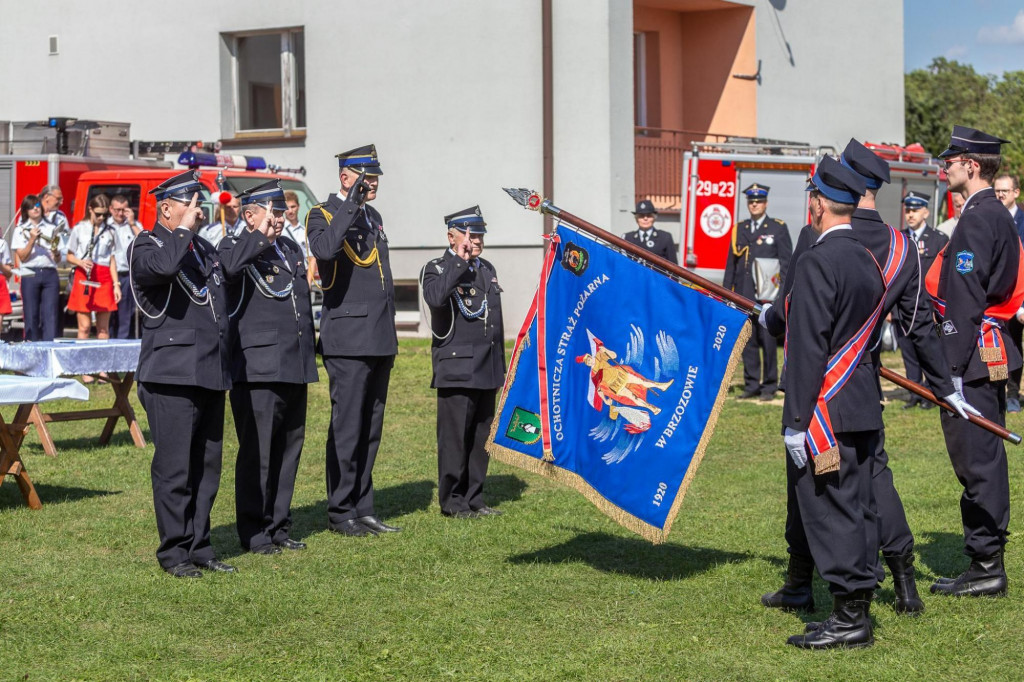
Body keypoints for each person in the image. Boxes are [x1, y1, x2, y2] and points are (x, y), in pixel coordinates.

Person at [760, 141, 963, 620]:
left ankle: (808, 585)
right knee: (874, 482)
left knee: (816, 489)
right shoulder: (899, 246)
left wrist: (766, 318)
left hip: (821, 387)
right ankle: (904, 578)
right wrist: (945, 385)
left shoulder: (819, 242)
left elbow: (794, 316)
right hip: (863, 383)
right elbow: (918, 327)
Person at [779, 156, 883, 649]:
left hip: (824, 411)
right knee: (858, 507)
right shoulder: (865, 257)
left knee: (830, 509)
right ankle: (857, 606)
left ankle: (849, 619)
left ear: (818, 203)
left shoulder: (817, 260)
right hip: (860, 403)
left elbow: (808, 346)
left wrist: (797, 421)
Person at [929, 126, 1023, 598]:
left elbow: (965, 296)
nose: (944, 167)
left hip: (971, 355)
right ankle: (985, 559)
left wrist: (948, 366)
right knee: (982, 456)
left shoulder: (976, 218)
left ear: (971, 164)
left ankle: (987, 564)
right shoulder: (993, 213)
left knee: (977, 459)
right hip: (988, 349)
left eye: (951, 161)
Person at [129, 170, 234, 579]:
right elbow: (164, 268)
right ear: (166, 207)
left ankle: (199, 545)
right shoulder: (148, 243)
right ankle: (174, 552)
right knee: (175, 468)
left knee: (207, 467)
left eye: (199, 203)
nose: (198, 210)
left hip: (209, 369)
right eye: (189, 203)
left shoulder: (201, 246)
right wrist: (184, 231)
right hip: (171, 374)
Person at [219, 179, 318, 554]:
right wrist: (259, 236)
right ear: (249, 215)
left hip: (294, 362)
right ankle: (254, 531)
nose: (280, 217)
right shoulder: (234, 245)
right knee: (257, 453)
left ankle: (278, 524)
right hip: (257, 366)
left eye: (281, 210)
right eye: (272, 212)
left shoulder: (291, 247)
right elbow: (228, 268)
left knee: (288, 450)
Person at [307, 144, 401, 537]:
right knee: (347, 427)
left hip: (379, 337)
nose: (373, 181)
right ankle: (340, 510)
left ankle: (364, 507)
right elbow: (325, 249)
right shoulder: (322, 214)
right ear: (346, 177)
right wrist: (349, 203)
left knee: (370, 428)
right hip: (347, 339)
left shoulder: (373, 216)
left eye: (376, 175)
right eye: (366, 174)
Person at [421, 206, 506, 519]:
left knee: (481, 437)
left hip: (487, 366)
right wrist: (459, 260)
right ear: (451, 236)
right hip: (457, 367)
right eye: (469, 234)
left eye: (480, 234)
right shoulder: (437, 267)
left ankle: (474, 497)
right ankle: (453, 501)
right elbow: (435, 298)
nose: (476, 240)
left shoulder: (486, 268)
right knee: (455, 439)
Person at [724, 183, 792, 400]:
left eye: (759, 202)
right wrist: (727, 294)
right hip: (744, 293)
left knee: (768, 340)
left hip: (767, 296)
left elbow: (786, 263)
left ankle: (769, 385)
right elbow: (731, 265)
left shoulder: (777, 228)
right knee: (749, 340)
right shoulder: (740, 229)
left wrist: (782, 294)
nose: (755, 205)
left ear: (766, 204)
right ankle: (752, 384)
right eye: (751, 202)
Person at [897, 191, 948, 409]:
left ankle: (929, 393)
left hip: (928, 307)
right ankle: (914, 391)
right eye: (907, 210)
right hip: (903, 307)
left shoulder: (938, 239)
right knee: (908, 352)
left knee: (930, 351)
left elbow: (943, 277)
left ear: (926, 212)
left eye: (915, 210)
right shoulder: (897, 238)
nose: (910, 214)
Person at [66, 194, 121, 343]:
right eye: (98, 214)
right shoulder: (79, 228)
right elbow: (69, 256)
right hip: (84, 275)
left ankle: (101, 366)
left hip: (104, 277)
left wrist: (116, 285)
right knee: (84, 327)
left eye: (105, 214)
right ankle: (82, 365)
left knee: (103, 329)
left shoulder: (110, 231)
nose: (101, 218)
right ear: (90, 209)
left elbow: (112, 259)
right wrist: (80, 262)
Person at [11, 194, 61, 341]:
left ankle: (49, 348)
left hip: (49, 272)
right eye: (32, 207)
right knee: (31, 314)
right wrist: (32, 240)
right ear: (26, 210)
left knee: (50, 314)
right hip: (29, 272)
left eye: (38, 206)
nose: (35, 209)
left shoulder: (52, 228)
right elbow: (23, 257)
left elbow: (58, 260)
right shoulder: (20, 230)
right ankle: (31, 346)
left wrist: (56, 251)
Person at [994, 175, 1024, 412]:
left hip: (1021, 300)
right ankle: (1002, 392)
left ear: (1016, 193)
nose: (1000, 195)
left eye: (1005, 191)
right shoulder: (991, 219)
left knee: (1015, 345)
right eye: (997, 191)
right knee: (1000, 346)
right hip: (999, 299)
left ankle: (1013, 392)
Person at [109, 196, 144, 338]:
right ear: (111, 209)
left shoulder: (134, 225)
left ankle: (122, 342)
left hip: (127, 275)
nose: (120, 213)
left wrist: (132, 223)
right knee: (109, 314)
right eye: (117, 210)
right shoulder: (106, 225)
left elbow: (145, 241)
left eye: (124, 210)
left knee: (126, 315)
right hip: (109, 275)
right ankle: (109, 342)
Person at [283, 190, 317, 286]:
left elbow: (311, 260)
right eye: (287, 208)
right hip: (286, 275)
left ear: (298, 206)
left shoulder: (305, 231)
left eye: (293, 207)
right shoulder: (279, 231)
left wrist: (308, 283)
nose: (290, 211)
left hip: (302, 275)